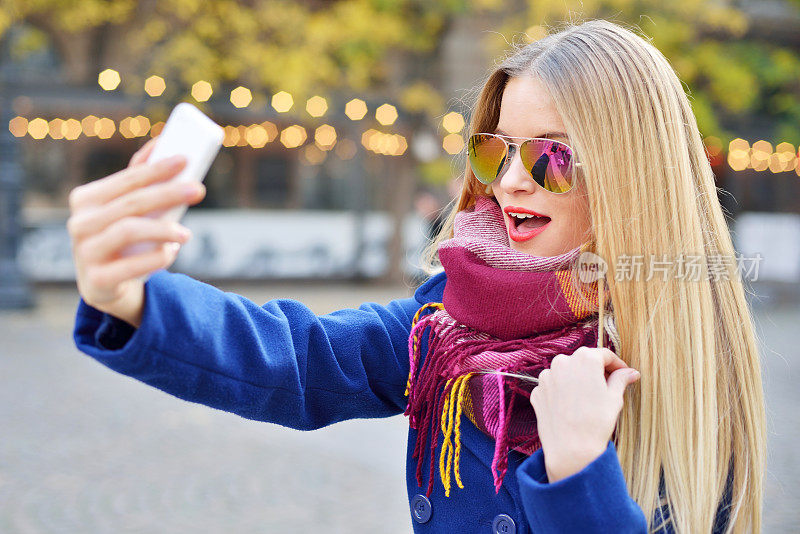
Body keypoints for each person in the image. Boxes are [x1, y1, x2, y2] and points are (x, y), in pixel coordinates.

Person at [70, 18, 764, 533]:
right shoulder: (450, 323)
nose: (513, 183)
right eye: (496, 153)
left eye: (553, 156)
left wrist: (578, 469)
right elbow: (299, 358)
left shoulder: (688, 362)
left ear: (634, 177)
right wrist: (129, 299)